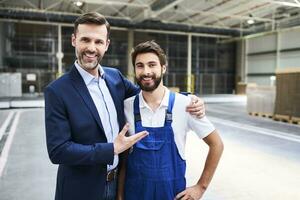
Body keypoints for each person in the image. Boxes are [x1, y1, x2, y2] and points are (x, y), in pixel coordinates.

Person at [44, 13, 206, 200]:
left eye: (98, 42)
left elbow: (148, 92)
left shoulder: (115, 79)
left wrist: (187, 99)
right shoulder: (57, 91)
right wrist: (111, 149)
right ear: (74, 40)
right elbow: (58, 151)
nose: (91, 48)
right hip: (82, 190)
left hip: (117, 186)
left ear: (106, 45)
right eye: (85, 40)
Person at [118, 41, 224, 200]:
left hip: (172, 194)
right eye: (140, 66)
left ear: (163, 68)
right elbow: (124, 158)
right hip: (135, 193)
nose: (146, 71)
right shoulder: (126, 106)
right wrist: (120, 195)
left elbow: (216, 144)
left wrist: (200, 187)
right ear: (135, 70)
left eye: (152, 64)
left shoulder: (185, 105)